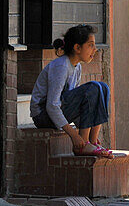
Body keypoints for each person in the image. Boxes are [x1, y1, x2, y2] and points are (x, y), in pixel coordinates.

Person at [30, 24, 113, 158]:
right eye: (90, 45)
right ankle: (83, 144)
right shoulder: (61, 66)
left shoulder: (77, 67)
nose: (95, 49)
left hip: (59, 110)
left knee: (103, 88)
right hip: (43, 116)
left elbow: (76, 103)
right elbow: (52, 105)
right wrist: (74, 135)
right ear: (77, 47)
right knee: (93, 88)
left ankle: (92, 141)